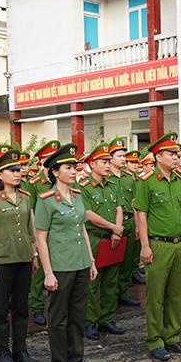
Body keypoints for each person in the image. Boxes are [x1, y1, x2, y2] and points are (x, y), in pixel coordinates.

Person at [33, 143, 97, 362]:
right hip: (60, 267)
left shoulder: (78, 195)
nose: (73, 171)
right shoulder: (46, 200)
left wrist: (91, 261)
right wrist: (48, 272)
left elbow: (82, 228)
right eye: (68, 167)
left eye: (75, 167)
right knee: (59, 320)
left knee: (78, 317)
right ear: (55, 172)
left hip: (80, 263)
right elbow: (41, 238)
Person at [134, 132, 181, 361]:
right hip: (158, 244)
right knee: (156, 295)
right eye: (171, 154)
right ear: (158, 157)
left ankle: (173, 336)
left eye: (177, 154)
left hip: (178, 244)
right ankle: (155, 340)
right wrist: (145, 246)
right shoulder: (147, 181)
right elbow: (141, 214)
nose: (176, 157)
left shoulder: (180, 181)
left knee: (177, 293)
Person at [0, 150, 38, 362]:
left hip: (23, 257)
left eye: (18, 170)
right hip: (2, 261)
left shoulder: (25, 197)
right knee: (0, 309)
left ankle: (20, 349)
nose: (17, 173)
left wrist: (34, 255)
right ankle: (3, 350)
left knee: (22, 307)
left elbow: (30, 229)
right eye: (12, 170)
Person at [77, 143, 125, 341]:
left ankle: (107, 318)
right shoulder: (84, 187)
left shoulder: (112, 184)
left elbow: (119, 208)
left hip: (113, 239)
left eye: (108, 161)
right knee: (92, 282)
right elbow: (88, 214)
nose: (107, 165)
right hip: (95, 239)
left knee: (110, 281)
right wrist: (113, 227)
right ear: (92, 164)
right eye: (103, 162)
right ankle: (90, 322)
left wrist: (117, 230)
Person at [28, 140, 61, 326]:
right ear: (42, 162)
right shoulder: (34, 184)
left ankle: (56, 306)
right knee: (40, 273)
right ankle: (37, 307)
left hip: (59, 233)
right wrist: (35, 240)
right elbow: (31, 212)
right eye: (50, 158)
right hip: (42, 233)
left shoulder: (61, 180)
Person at [106, 137, 141, 307]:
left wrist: (137, 226)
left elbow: (134, 204)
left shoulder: (129, 178)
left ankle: (123, 292)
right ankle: (110, 297)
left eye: (124, 156)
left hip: (129, 222)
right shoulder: (106, 177)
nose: (123, 159)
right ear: (110, 158)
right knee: (113, 263)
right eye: (119, 156)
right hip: (112, 224)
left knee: (127, 261)